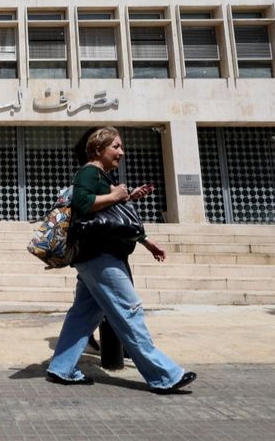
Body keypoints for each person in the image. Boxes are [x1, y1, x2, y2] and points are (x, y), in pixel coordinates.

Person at [46, 126, 196, 394]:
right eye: (115, 146)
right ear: (98, 149)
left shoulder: (102, 176)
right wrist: (115, 195)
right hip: (100, 257)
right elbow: (82, 203)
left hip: (95, 257)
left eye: (121, 146)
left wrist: (144, 237)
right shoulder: (89, 172)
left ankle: (62, 367)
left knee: (84, 314)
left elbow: (113, 219)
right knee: (129, 312)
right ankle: (164, 375)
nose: (121, 152)